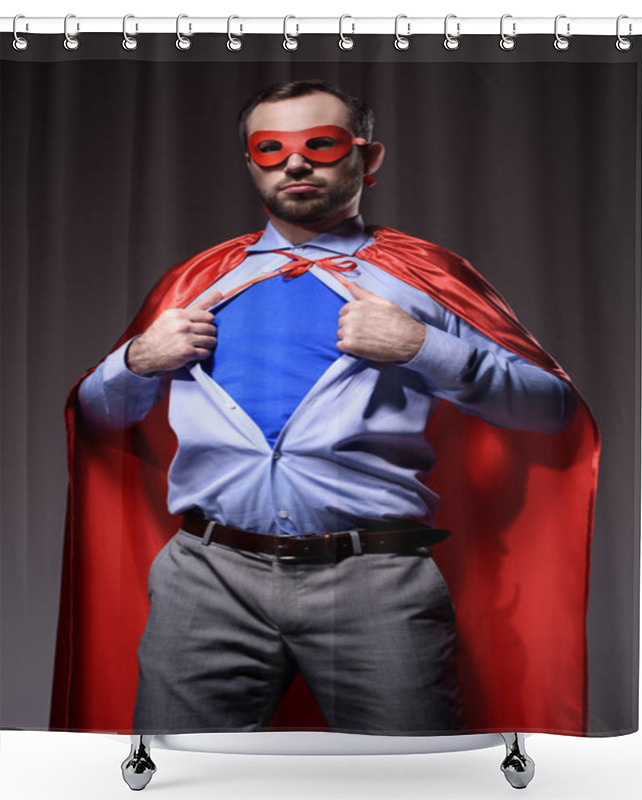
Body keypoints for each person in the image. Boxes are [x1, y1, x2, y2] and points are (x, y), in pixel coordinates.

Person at [52, 79, 599, 737]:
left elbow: (553, 410)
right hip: (206, 577)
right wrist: (137, 360)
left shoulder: (423, 278)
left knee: (411, 782)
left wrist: (424, 345)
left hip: (373, 580)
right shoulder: (197, 283)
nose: (295, 161)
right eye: (271, 147)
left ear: (367, 159)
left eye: (321, 143)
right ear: (251, 162)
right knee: (184, 774)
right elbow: (94, 417)